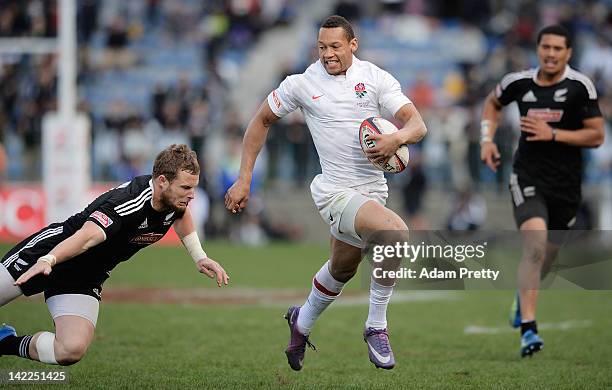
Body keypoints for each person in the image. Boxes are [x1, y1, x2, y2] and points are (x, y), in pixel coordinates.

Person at [225, 15, 427, 370]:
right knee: (394, 234)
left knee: (342, 268)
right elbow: (260, 121)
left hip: (372, 191)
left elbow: (417, 125)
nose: (328, 54)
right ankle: (376, 326)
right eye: (322, 47)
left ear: (353, 44)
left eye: (335, 46)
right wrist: (245, 179)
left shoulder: (376, 78)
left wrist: (395, 137)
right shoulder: (301, 84)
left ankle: (300, 322)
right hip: (334, 191)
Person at [0, 144, 229, 365]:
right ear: (162, 181)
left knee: (70, 349)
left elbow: (180, 216)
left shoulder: (173, 201)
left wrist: (199, 256)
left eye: (194, 188)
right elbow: (87, 237)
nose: (191, 196)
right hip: (50, 251)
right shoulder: (130, 202)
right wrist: (48, 259)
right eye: (186, 188)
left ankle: (5, 342)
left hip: (85, 277)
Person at [480, 25, 604, 357]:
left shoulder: (580, 87)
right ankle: (529, 331)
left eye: (557, 48)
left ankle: (521, 302)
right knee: (534, 246)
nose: (550, 53)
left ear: (568, 53)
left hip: (566, 186)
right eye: (545, 47)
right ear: (538, 49)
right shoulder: (517, 82)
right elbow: (492, 104)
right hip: (527, 176)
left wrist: (553, 134)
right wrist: (486, 140)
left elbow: (596, 136)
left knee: (547, 257)